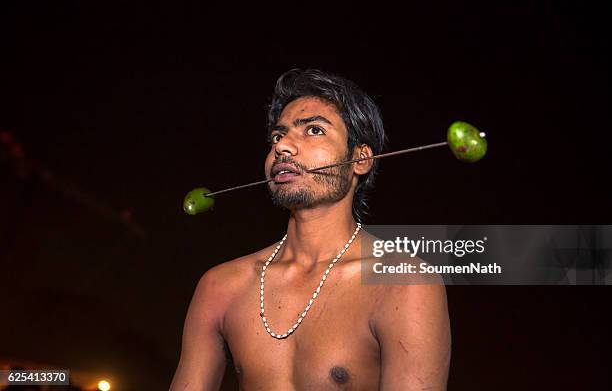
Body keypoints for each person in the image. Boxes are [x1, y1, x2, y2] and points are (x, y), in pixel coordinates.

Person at [170, 69, 451, 390]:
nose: (284, 147)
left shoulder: (403, 284)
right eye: (278, 136)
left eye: (314, 130)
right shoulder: (220, 287)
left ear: (360, 160)